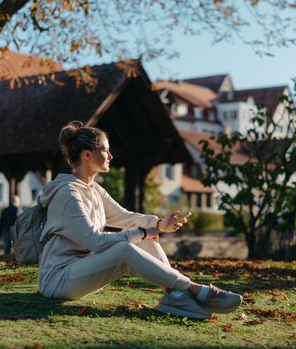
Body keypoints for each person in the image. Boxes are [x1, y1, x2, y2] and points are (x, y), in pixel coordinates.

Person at [37, 121, 242, 319]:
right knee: (126, 247)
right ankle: (194, 289)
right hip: (58, 279)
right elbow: (95, 242)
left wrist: (159, 225)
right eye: (105, 151)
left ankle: (175, 296)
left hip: (81, 269)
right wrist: (142, 232)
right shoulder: (67, 194)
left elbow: (126, 218)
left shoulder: (94, 190)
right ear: (88, 155)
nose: (111, 155)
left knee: (139, 235)